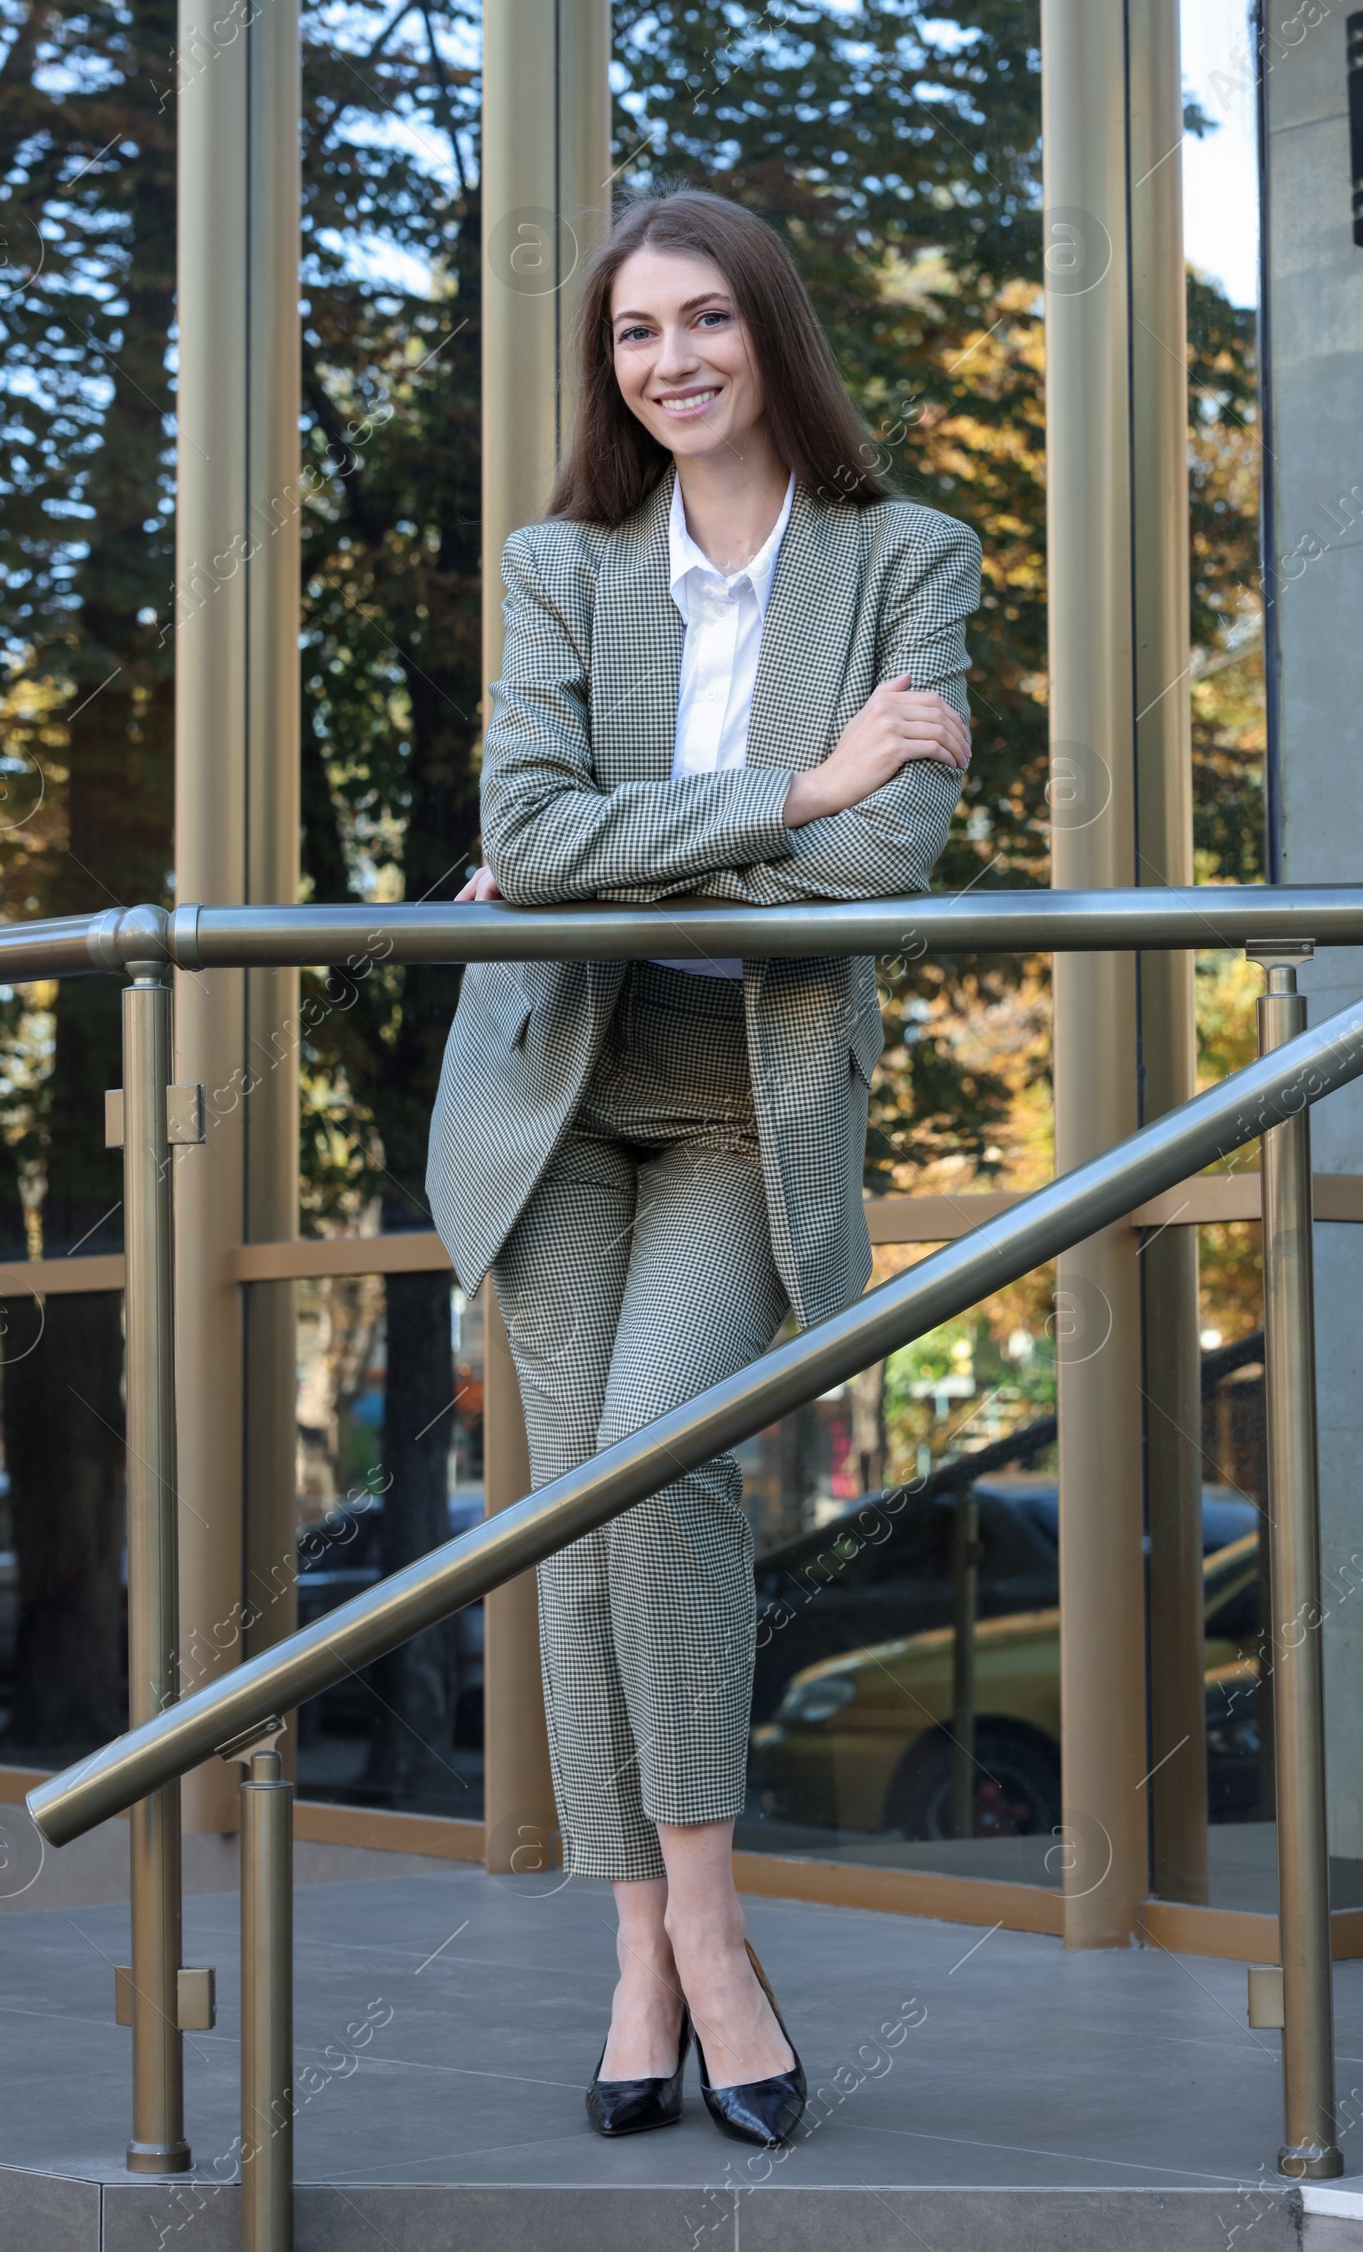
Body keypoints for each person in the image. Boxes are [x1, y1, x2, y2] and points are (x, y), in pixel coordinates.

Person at [427, 187, 978, 2148]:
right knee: (574, 1516)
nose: (666, 361)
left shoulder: (908, 556)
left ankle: (712, 1932)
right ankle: (643, 1948)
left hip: (749, 1092)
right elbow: (518, 826)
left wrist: (642, 838)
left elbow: (873, 870)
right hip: (558, 1091)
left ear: (769, 335)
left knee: (658, 1462)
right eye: (632, 333)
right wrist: (796, 782)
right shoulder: (561, 567)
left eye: (702, 321)